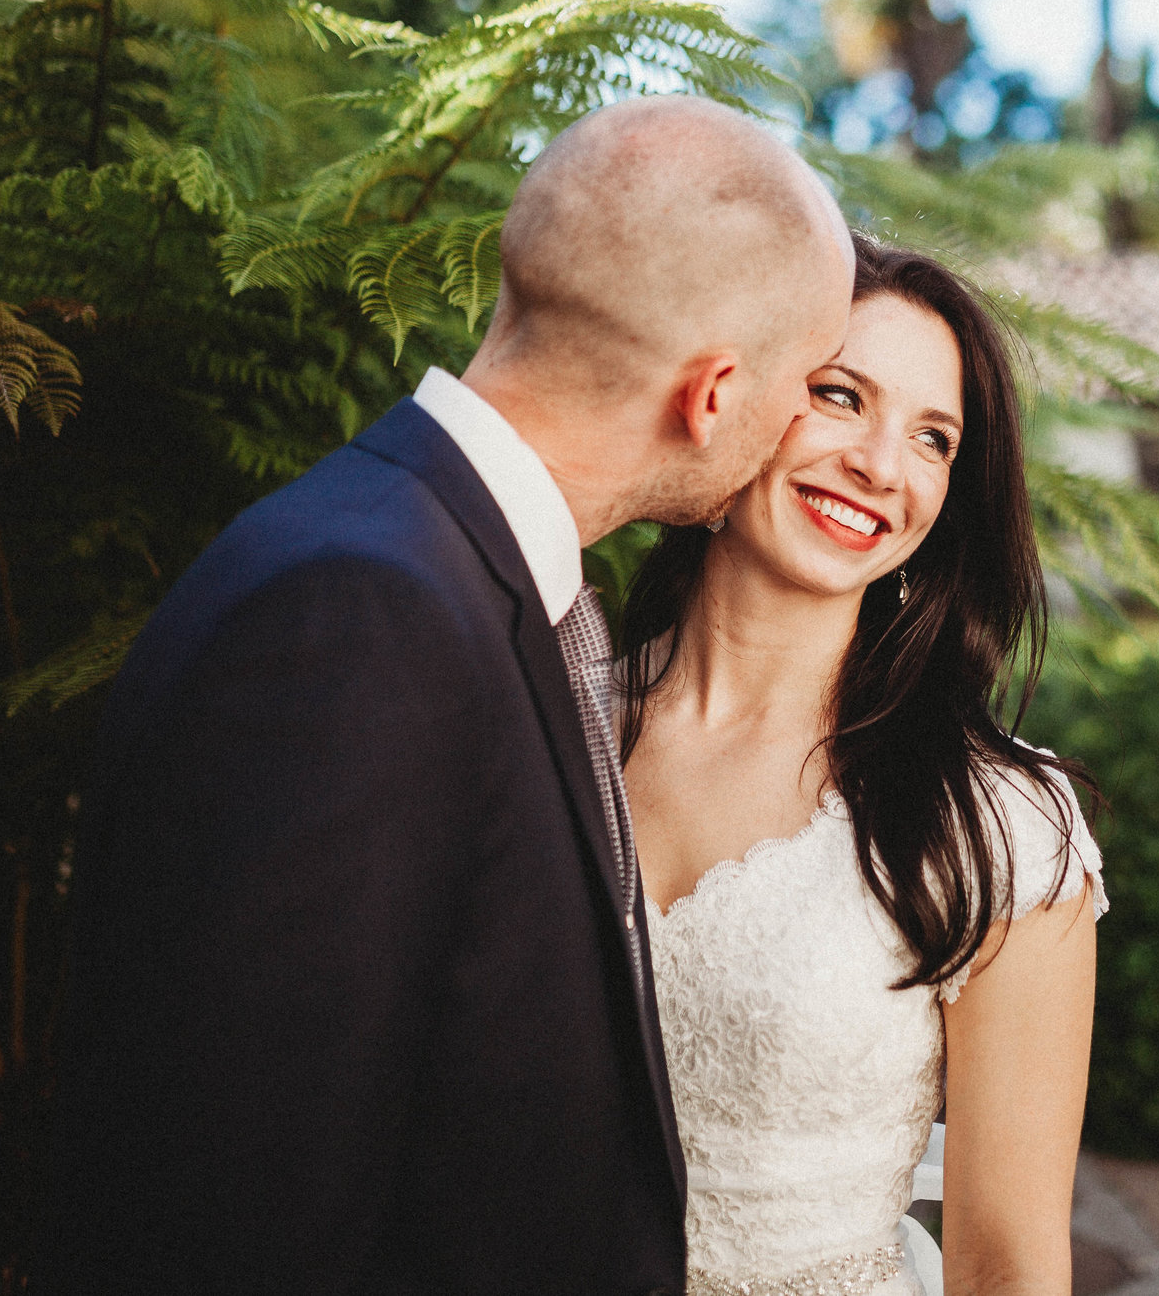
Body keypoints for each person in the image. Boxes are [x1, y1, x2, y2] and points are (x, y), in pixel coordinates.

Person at [45, 95, 857, 1296]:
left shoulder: (435, 572)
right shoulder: (359, 617)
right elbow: (243, 1216)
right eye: (808, 384)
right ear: (714, 392)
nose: (805, 423)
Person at [618, 236, 1104, 1296]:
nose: (883, 465)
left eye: (934, 438)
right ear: (729, 395)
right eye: (840, 395)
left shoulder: (1001, 823)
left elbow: (1009, 1264)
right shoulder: (550, 720)